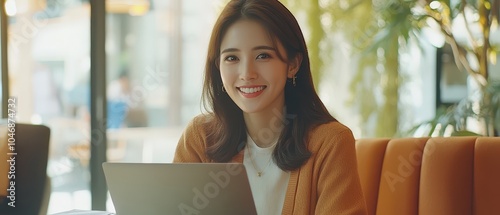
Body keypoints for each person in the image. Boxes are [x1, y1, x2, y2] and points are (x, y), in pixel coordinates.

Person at [174, 0, 367, 214]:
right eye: (232, 58)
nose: (247, 73)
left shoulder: (330, 143)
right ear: (218, 66)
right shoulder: (200, 137)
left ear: (293, 64)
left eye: (263, 56)